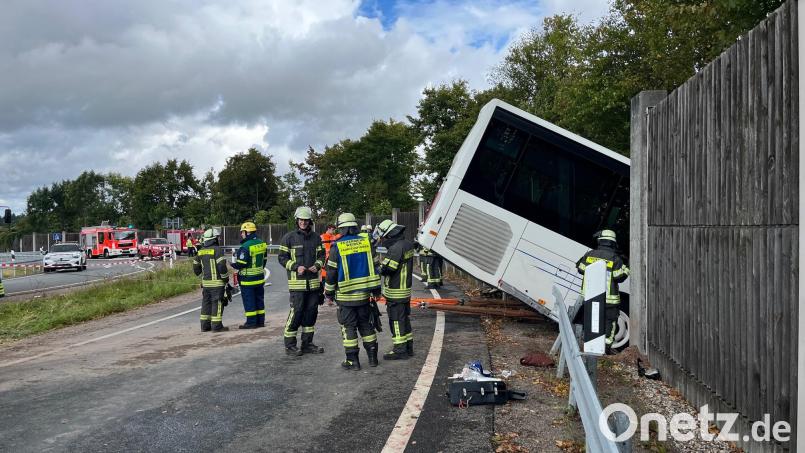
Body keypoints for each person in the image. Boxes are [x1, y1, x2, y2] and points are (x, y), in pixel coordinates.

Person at [324, 213, 382, 370]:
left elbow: (331, 273)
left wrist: (328, 294)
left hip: (345, 297)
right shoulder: (366, 243)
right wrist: (377, 290)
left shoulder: (337, 246)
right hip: (364, 295)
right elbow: (376, 267)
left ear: (341, 228)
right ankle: (373, 359)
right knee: (366, 325)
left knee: (349, 327)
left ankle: (353, 361)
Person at [278, 206, 325, 356]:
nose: (303, 222)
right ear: (297, 220)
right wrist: (295, 267)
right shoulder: (289, 238)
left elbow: (322, 256)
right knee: (296, 313)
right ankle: (290, 346)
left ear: (310, 221)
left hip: (313, 285)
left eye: (306, 220)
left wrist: (317, 265)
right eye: (301, 220)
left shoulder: (316, 238)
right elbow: (282, 258)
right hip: (297, 285)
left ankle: (307, 344)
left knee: (311, 314)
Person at [575, 229, 630, 350]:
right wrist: (626, 269)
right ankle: (605, 348)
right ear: (613, 243)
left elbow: (580, 269)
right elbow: (620, 277)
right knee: (609, 321)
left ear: (600, 241)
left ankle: (591, 346)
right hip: (609, 300)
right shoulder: (615, 259)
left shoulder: (589, 254)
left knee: (592, 320)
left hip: (591, 296)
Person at [374, 220, 416, 360]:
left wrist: (378, 267)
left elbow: (389, 269)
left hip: (396, 290)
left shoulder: (396, 248)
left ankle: (400, 350)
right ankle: (408, 347)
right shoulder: (407, 244)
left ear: (389, 234)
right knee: (404, 320)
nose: (383, 239)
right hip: (405, 289)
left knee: (396, 321)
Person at [231, 221, 267, 329]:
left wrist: (232, 264)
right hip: (259, 278)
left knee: (249, 301)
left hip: (247, 280)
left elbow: (241, 264)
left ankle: (251, 323)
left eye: (242, 232)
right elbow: (264, 260)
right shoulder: (262, 243)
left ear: (247, 232)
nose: (241, 234)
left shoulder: (245, 246)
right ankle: (260, 321)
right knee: (259, 300)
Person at [192, 228, 230, 332]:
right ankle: (217, 326)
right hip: (217, 284)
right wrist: (225, 278)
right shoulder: (217, 250)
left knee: (206, 304)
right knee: (217, 303)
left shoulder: (201, 251)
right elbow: (221, 265)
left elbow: (195, 266)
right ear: (214, 239)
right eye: (217, 237)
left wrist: (201, 274)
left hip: (206, 284)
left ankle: (205, 326)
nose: (219, 239)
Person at [319, 224, 341, 303]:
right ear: (328, 229)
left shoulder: (334, 237)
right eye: (333, 229)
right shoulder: (322, 237)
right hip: (325, 261)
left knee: (332, 278)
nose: (334, 231)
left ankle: (330, 296)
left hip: (332, 260)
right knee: (325, 277)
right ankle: (327, 296)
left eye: (334, 230)